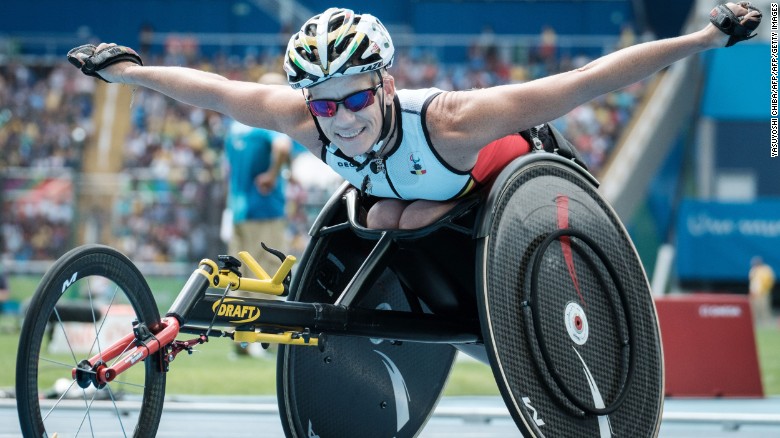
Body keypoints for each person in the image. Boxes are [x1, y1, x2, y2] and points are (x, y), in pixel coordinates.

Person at [66, 3, 762, 231]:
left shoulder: (455, 118)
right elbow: (214, 90)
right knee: (376, 220)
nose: (339, 119)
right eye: (324, 102)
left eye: (356, 97)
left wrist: (703, 38)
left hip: (490, 182)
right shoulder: (302, 117)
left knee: (396, 218)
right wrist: (129, 71)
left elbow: (587, 80)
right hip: (401, 195)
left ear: (387, 85)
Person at [224, 72, 293, 276]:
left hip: (238, 210)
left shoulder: (236, 126)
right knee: (267, 274)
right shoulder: (267, 122)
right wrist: (272, 176)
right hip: (265, 210)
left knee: (237, 275)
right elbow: (283, 147)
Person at [749, 256, 775, 327]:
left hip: (763, 292)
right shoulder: (753, 270)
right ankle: (755, 323)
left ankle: (766, 323)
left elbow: (770, 280)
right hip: (755, 293)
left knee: (764, 307)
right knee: (754, 308)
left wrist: (764, 289)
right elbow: (752, 282)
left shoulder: (766, 269)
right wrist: (751, 292)